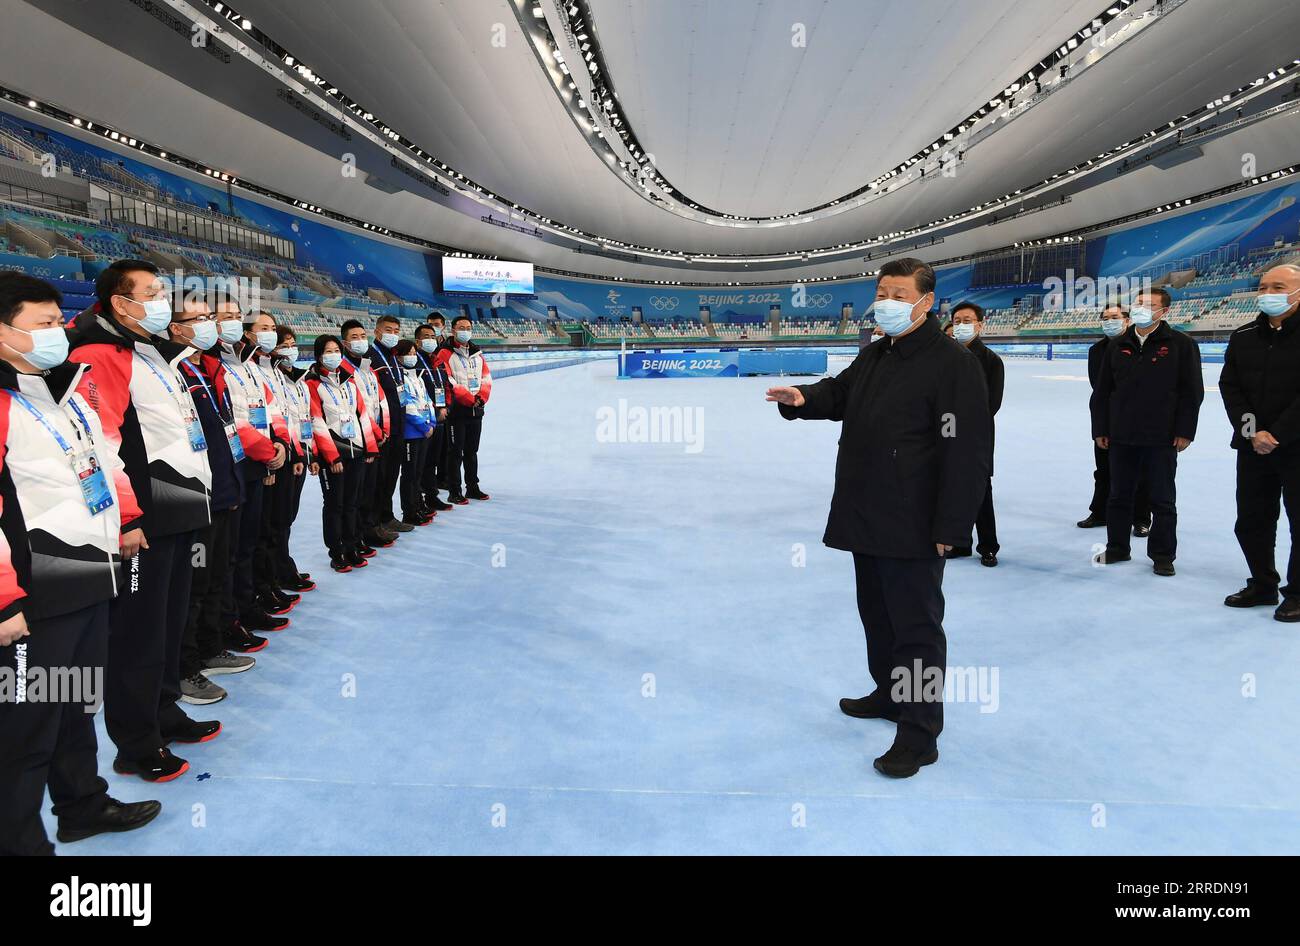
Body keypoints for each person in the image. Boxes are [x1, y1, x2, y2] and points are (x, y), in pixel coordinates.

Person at [766, 257, 991, 778]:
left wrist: (953, 529)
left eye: (898, 293)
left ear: (926, 302)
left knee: (918, 631)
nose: (886, 301)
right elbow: (841, 392)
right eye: (882, 291)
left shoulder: (953, 365)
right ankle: (891, 696)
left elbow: (969, 453)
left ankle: (920, 732)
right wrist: (803, 399)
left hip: (916, 523)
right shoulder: (878, 353)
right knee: (878, 617)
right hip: (868, 514)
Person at [0, 272, 161, 854]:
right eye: (41, 326)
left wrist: (127, 517)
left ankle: (82, 805)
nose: (56, 334)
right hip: (36, 585)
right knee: (25, 729)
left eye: (56, 322)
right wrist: (3, 599)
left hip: (91, 572)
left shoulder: (62, 388)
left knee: (75, 706)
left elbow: (102, 459)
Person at [67, 259, 217, 781]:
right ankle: (135, 741)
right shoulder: (98, 355)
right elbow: (102, 443)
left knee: (169, 623)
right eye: (150, 292)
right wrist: (128, 516)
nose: (161, 300)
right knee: (138, 633)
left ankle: (164, 711)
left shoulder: (151, 352)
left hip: (178, 509)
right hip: (143, 519)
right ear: (120, 303)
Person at [168, 297, 254, 706]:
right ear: (175, 328)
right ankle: (187, 666)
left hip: (223, 489)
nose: (208, 325)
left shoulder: (205, 369)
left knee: (216, 574)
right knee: (194, 586)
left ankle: (210, 645)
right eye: (199, 319)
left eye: (209, 318)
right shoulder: (177, 371)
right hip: (196, 498)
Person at [1090, 287, 1203, 576]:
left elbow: (1192, 393)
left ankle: (1162, 555)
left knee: (1162, 499)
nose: (1141, 308)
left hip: (1161, 436)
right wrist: (1100, 428)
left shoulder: (1181, 344)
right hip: (1120, 435)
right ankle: (1117, 547)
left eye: (1148, 304)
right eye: (1138, 303)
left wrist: (1185, 430)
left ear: (1164, 312)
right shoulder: (1117, 345)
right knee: (1118, 495)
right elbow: (1102, 392)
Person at [1219, 263, 1300, 621]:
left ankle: (1297, 593)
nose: (1268, 293)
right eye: (1264, 286)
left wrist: (1278, 433)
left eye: (1278, 286)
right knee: (1251, 519)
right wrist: (1253, 432)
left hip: (1296, 446)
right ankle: (1263, 584)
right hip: (1253, 447)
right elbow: (1231, 388)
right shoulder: (1244, 335)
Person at [214, 296, 289, 635]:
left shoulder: (251, 366)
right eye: (225, 316)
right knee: (230, 552)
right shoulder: (216, 366)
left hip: (260, 461)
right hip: (236, 464)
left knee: (249, 542)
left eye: (236, 315)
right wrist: (266, 450)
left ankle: (247, 605)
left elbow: (270, 411)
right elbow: (233, 420)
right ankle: (231, 616)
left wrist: (280, 445)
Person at [1079, 304, 1150, 534]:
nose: (1110, 321)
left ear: (1127, 320)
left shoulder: (1140, 346)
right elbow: (1098, 388)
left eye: (1115, 317)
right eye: (1106, 317)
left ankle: (1141, 519)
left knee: (1138, 471)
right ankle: (1100, 512)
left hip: (1136, 420)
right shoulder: (1096, 350)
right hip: (1106, 419)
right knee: (1103, 470)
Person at [245, 311, 298, 618]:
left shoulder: (273, 369)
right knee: (262, 531)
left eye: (272, 329)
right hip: (263, 458)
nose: (271, 335)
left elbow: (279, 413)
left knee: (280, 522)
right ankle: (262, 586)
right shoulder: (251, 368)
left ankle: (274, 577)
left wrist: (290, 449)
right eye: (263, 329)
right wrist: (269, 457)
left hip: (283, 450)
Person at [305, 335, 374, 572]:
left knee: (352, 503)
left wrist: (369, 447)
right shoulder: (312, 384)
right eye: (328, 351)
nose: (334, 355)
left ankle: (352, 544)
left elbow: (361, 415)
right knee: (335, 504)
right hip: (333, 455)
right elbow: (316, 422)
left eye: (336, 350)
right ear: (318, 356)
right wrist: (331, 457)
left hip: (356, 451)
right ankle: (337, 551)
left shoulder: (350, 382)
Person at [946, 301, 1003, 566]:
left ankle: (988, 546)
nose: (961, 325)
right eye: (957, 321)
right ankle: (959, 542)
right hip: (945, 432)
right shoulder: (942, 356)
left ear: (980, 325)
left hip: (975, 436)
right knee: (951, 488)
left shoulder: (991, 361)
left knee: (980, 492)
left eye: (967, 320)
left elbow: (992, 404)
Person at [340, 320, 399, 548]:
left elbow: (379, 400)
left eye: (362, 335)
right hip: (360, 436)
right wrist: (374, 431)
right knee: (360, 491)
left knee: (373, 485)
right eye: (355, 337)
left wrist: (383, 428)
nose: (360, 340)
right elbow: (357, 406)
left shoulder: (367, 368)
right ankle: (360, 532)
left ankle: (372, 526)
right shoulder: (344, 370)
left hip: (376, 434)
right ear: (345, 343)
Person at [270, 325, 317, 593]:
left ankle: (284, 565)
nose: (290, 350)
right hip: (282, 454)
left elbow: (303, 421)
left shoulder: (297, 380)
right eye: (284, 344)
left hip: (298, 453)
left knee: (288, 517)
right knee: (278, 519)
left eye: (292, 344)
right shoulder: (272, 377)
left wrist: (307, 453)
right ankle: (278, 570)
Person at [434, 315, 493, 504]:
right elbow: (448, 381)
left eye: (468, 327)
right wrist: (469, 399)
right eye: (461, 327)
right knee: (455, 451)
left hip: (476, 411)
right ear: (453, 330)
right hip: (457, 411)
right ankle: (454, 490)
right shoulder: (444, 353)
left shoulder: (477, 353)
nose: (465, 330)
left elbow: (486, 378)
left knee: (471, 451)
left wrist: (481, 398)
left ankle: (472, 487)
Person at [366, 315, 407, 534]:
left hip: (398, 426)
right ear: (377, 332)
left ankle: (387, 516)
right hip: (382, 429)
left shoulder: (393, 357)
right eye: (388, 330)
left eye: (396, 331)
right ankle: (374, 523)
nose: (393, 334)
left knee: (392, 474)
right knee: (379, 478)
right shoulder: (371, 357)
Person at [394, 339, 435, 526]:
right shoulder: (400, 378)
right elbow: (407, 405)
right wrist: (423, 425)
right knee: (410, 474)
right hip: (412, 432)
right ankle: (409, 511)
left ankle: (418, 505)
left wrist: (432, 421)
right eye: (408, 354)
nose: (412, 357)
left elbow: (427, 400)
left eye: (413, 353)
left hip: (425, 429)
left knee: (418, 472)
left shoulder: (417, 376)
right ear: (399, 356)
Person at [414, 323, 452, 512]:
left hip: (440, 417)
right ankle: (418, 500)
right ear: (418, 341)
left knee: (432, 461)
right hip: (424, 420)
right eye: (426, 336)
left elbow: (445, 387)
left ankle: (431, 495)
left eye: (433, 336)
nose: (431, 340)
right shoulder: (415, 362)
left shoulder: (437, 361)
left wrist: (444, 406)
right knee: (419, 463)